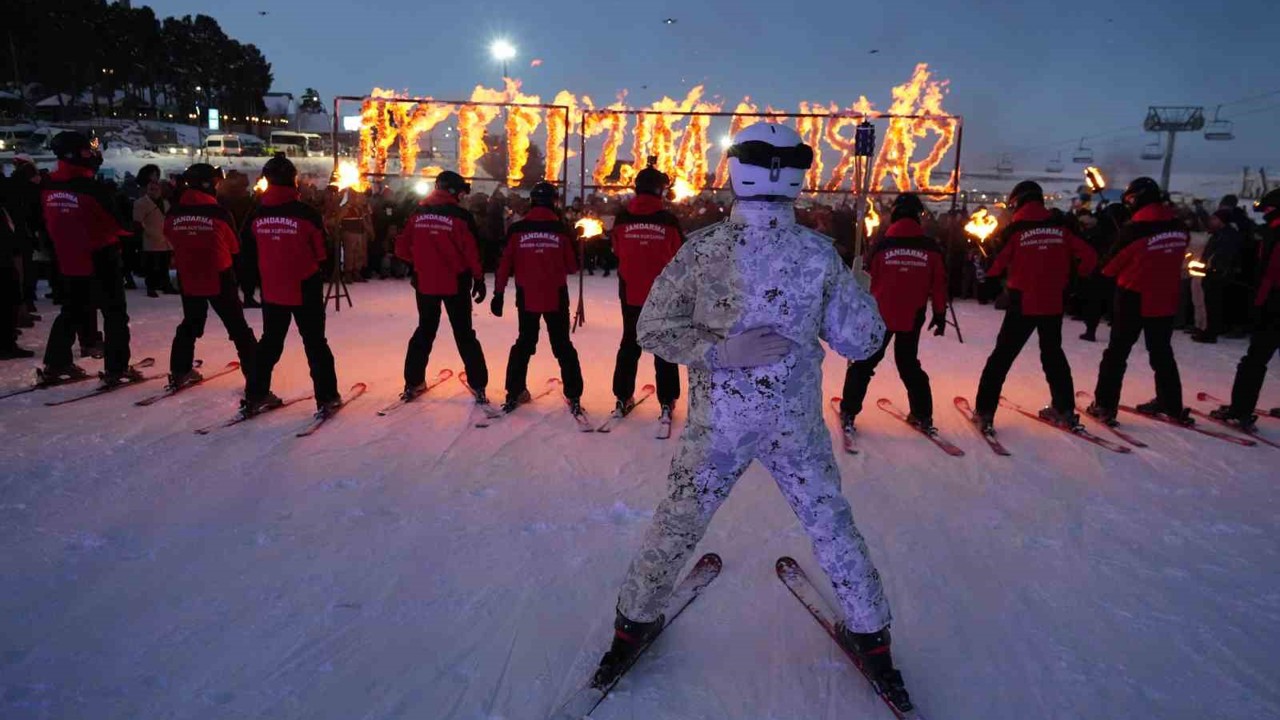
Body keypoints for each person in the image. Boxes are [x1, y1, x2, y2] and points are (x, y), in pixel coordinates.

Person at [591, 123, 911, 713]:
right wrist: (861, 293)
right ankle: (872, 634)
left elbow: (652, 328)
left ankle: (632, 624)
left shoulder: (704, 248)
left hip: (720, 427)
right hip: (794, 427)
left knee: (678, 521)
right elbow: (863, 342)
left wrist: (715, 353)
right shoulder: (817, 253)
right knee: (829, 525)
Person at [972, 181, 1097, 434]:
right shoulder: (1062, 226)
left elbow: (994, 268)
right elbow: (1090, 257)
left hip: (1023, 302)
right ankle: (1063, 409)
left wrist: (984, 268)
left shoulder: (1015, 230)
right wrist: (1075, 279)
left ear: (1016, 201)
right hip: (1053, 301)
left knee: (1001, 359)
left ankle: (985, 413)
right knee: (1053, 356)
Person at [1086, 177, 1192, 425]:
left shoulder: (1135, 230)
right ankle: (1171, 404)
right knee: (1162, 353)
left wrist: (1121, 234)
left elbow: (1109, 268)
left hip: (1134, 296)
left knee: (1117, 354)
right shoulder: (1179, 226)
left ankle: (1104, 405)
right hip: (1166, 297)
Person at [840, 192, 947, 434]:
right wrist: (940, 314)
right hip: (913, 314)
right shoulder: (931, 248)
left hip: (881, 314)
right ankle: (922, 414)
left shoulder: (882, 245)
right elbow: (939, 284)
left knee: (865, 363)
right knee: (908, 363)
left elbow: (868, 276)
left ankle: (849, 410)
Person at [246, 153, 341, 416]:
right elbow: (322, 253)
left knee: (269, 343)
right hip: (304, 286)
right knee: (314, 343)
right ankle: (327, 397)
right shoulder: (306, 213)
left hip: (272, 287)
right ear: (293, 181)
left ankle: (256, 393)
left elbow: (247, 250)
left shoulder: (257, 213)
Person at [40, 131, 134, 385]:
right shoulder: (93, 189)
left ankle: (56, 362)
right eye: (88, 150)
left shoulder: (49, 185)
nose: (93, 155)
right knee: (114, 314)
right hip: (100, 255)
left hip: (68, 257)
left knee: (71, 310)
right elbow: (121, 225)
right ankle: (117, 368)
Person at [395, 170, 490, 403]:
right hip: (455, 283)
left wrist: (419, 263)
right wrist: (478, 279)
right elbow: (472, 252)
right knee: (464, 333)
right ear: (454, 191)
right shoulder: (460, 217)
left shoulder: (418, 213)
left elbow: (400, 247)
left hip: (425, 282)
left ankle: (413, 381)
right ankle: (478, 384)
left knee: (425, 330)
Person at [164, 163, 259, 396]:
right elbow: (234, 246)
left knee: (190, 323)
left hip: (188, 275)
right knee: (237, 327)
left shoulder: (174, 211)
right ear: (208, 185)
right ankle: (257, 377)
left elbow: (168, 235)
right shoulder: (218, 213)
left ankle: (180, 370)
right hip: (218, 275)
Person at [491, 181, 585, 416]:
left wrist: (498, 293)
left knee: (524, 342)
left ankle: (515, 390)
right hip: (555, 295)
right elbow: (572, 267)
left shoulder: (517, 229)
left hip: (527, 294)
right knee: (562, 344)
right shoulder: (561, 229)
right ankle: (573, 393)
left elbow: (504, 265)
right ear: (554, 202)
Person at [609, 162, 685, 422]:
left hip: (630, 290)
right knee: (664, 345)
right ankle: (667, 399)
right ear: (659, 191)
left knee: (630, 342)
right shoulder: (668, 220)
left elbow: (617, 250)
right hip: (663, 293)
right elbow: (679, 255)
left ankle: (622, 394)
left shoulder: (622, 218)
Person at [1211, 188, 1280, 429]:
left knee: (1254, 360)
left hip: (1273, 304)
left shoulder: (1274, 233)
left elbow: (1270, 273)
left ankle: (1240, 409)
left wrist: (1258, 305)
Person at [1192, 209, 1244, 344]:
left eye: (1214, 219)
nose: (1211, 221)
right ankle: (1208, 329)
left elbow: (1223, 255)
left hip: (1218, 273)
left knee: (1213, 303)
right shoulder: (1220, 234)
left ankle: (1210, 332)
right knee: (1210, 303)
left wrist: (1214, 266)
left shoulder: (1226, 236)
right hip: (1213, 272)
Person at [133, 164, 176, 297]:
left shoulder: (165, 202)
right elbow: (137, 221)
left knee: (164, 263)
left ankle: (165, 284)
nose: (155, 189)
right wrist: (144, 233)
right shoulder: (141, 203)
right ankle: (151, 286)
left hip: (164, 238)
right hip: (151, 237)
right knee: (152, 264)